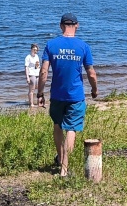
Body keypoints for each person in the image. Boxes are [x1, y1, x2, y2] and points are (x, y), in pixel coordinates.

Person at [37, 13, 98, 178]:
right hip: (75, 96)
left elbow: (43, 72)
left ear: (60, 25)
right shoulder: (83, 46)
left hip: (57, 94)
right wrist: (94, 89)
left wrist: (40, 93)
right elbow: (91, 73)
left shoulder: (51, 45)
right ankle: (64, 168)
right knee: (71, 129)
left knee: (57, 125)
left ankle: (60, 159)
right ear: (77, 25)